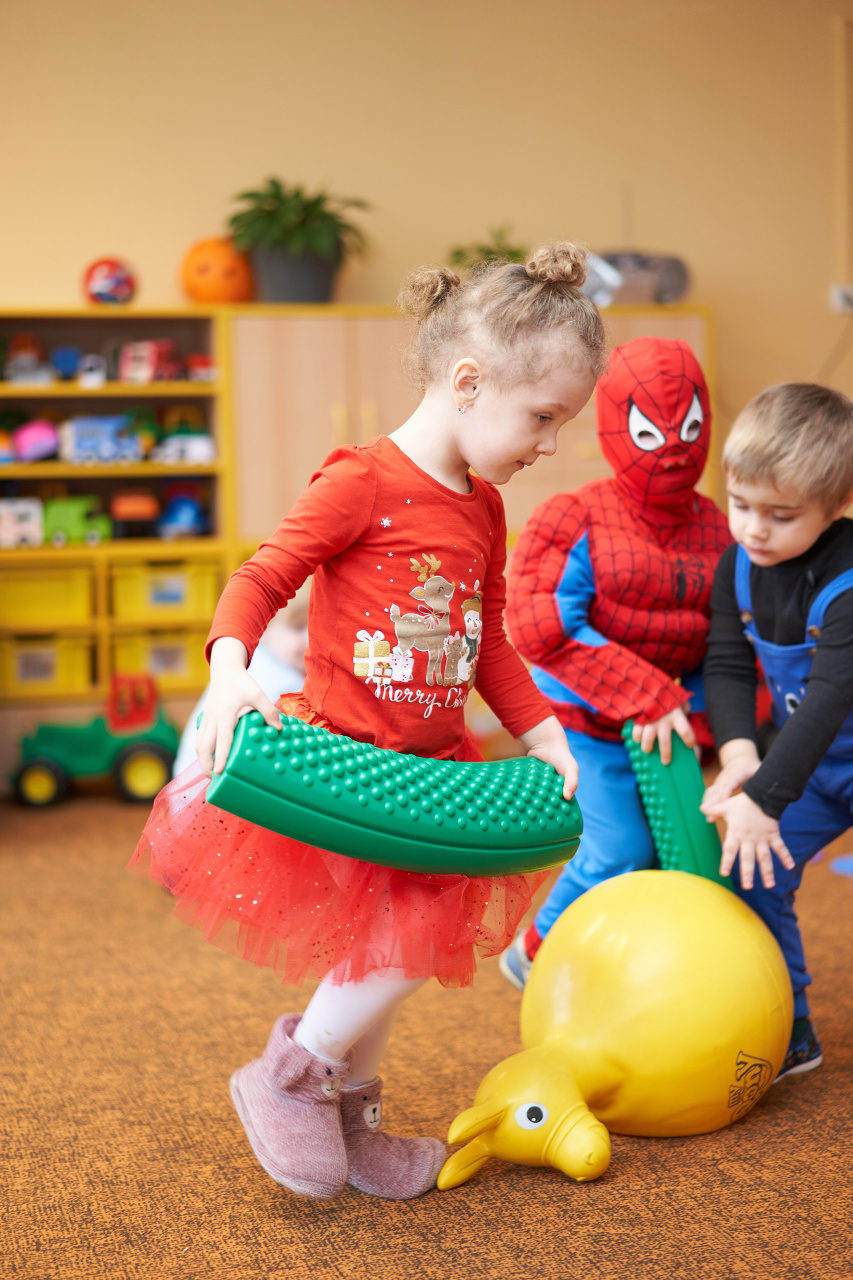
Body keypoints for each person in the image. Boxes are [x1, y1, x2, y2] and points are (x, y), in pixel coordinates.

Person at [130, 242, 604, 1201]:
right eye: (542, 417)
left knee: (383, 954)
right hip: (346, 768)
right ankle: (290, 1074)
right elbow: (261, 578)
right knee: (408, 941)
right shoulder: (362, 481)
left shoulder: (482, 510)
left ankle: (354, 1118)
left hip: (431, 770)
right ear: (467, 383)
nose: (550, 444)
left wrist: (545, 733)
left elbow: (488, 644)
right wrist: (230, 673)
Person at [500, 336, 731, 989]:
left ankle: (636, 972)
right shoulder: (573, 517)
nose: (673, 448)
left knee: (680, 854)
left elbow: (724, 644)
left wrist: (705, 722)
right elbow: (541, 628)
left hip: (666, 725)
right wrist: (645, 693)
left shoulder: (718, 529)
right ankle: (532, 951)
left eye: (688, 428)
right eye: (651, 431)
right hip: (580, 721)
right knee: (619, 848)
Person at [700, 383, 853, 1080]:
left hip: (819, 743)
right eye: (740, 505)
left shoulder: (845, 582)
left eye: (780, 515)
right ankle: (790, 1024)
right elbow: (727, 663)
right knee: (751, 870)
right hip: (813, 769)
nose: (754, 529)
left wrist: (764, 797)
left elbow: (831, 695)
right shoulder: (738, 565)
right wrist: (739, 756)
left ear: (835, 505)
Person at [171, 586, 310, 777]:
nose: (309, 639)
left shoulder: (252, 661)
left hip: (191, 774)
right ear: (264, 629)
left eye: (315, 627)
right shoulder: (281, 679)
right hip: (211, 778)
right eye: (298, 627)